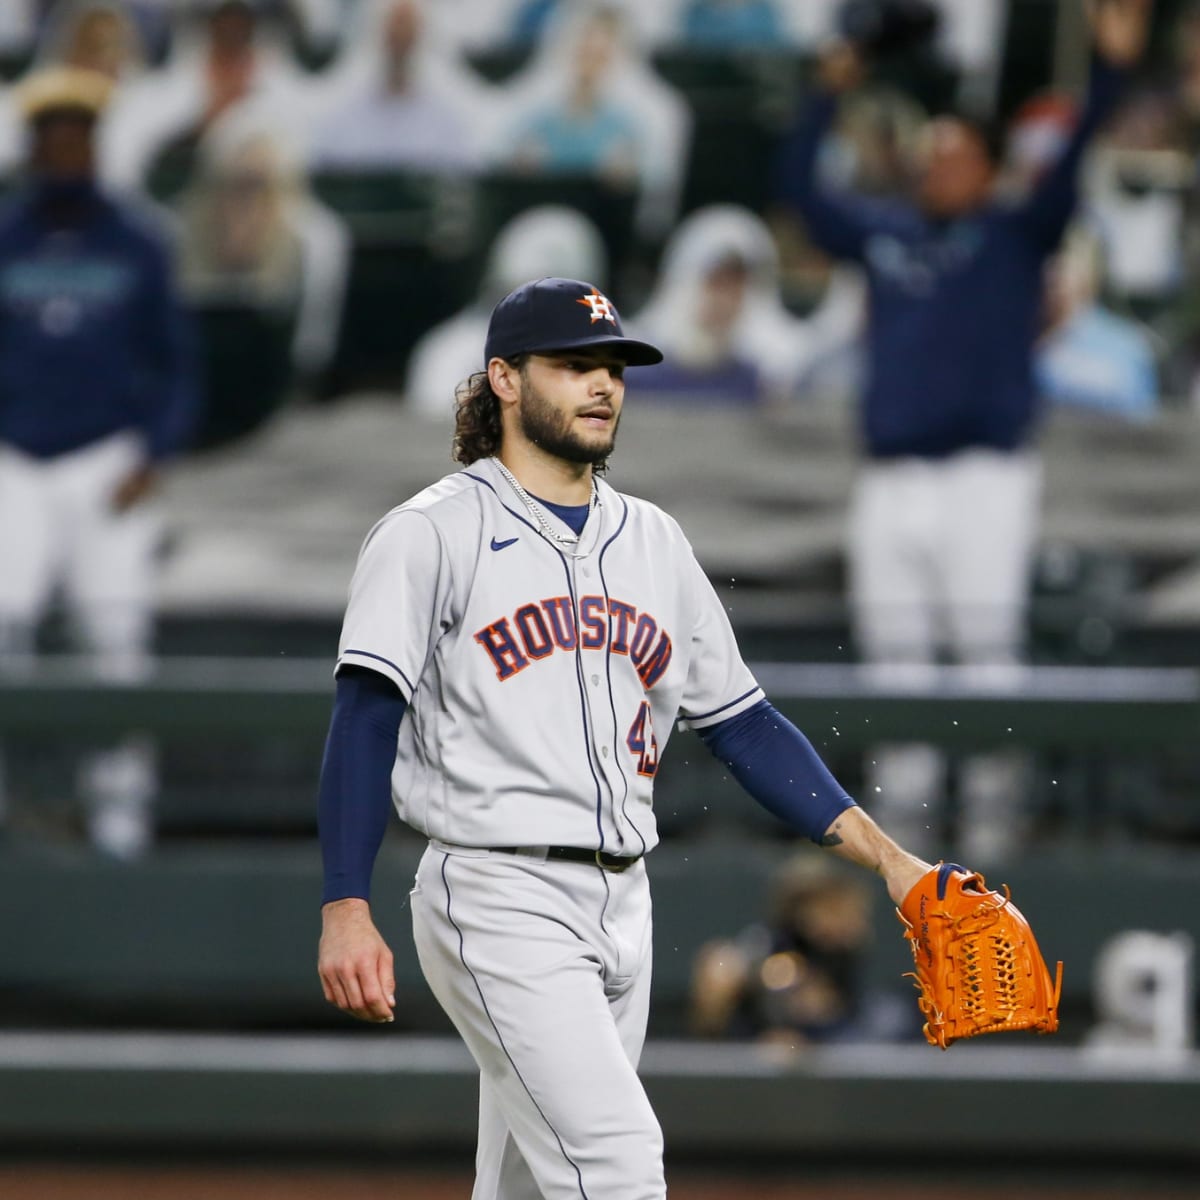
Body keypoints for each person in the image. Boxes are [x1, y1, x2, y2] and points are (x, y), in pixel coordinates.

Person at [316, 275, 932, 1199]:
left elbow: (745, 725)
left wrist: (889, 859)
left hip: (622, 901)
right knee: (616, 1165)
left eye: (614, 367)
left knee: (536, 1179)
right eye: (574, 366)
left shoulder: (655, 542)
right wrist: (344, 906)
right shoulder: (431, 533)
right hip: (497, 890)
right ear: (505, 380)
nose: (602, 385)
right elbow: (366, 719)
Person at [777, 0, 1150, 861]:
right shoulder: (890, 234)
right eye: (931, 154)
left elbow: (1072, 162)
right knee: (895, 664)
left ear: (988, 168)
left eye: (957, 155)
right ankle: (901, 859)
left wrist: (1112, 71)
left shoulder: (1015, 232)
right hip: (893, 475)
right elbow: (800, 192)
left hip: (987, 474)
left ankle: (992, 844)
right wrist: (827, 94)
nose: (939, 167)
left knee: (985, 656)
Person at [0, 65, 199, 857]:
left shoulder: (138, 241)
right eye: (53, 138)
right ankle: (11, 823)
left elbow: (179, 364)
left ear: (96, 144)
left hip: (107, 461)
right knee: (2, 627)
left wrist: (155, 451)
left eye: (79, 136)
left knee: (116, 643)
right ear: (34, 146)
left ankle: (122, 834)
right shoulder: (6, 238)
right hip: (13, 459)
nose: (66, 152)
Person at [629, 203, 862, 408]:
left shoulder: (765, 382)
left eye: (737, 284)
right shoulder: (635, 369)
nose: (725, 298)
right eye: (717, 282)